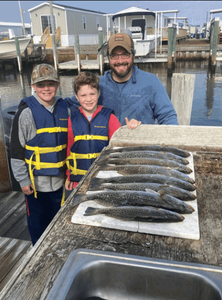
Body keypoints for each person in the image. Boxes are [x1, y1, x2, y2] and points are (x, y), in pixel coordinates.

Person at [10, 63, 70, 246]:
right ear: (33, 86)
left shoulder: (65, 108)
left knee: (58, 221)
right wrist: (23, 180)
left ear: (57, 85)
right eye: (41, 85)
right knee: (37, 224)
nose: (46, 89)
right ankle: (37, 251)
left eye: (50, 84)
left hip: (59, 182)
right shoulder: (25, 113)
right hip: (35, 185)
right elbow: (16, 151)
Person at [65, 32, 178, 126]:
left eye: (125, 54)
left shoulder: (151, 82)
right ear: (108, 57)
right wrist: (48, 93)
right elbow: (70, 104)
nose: (120, 61)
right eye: (114, 55)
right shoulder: (97, 84)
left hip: (140, 149)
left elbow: (168, 117)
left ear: (133, 55)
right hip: (107, 149)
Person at [65, 71, 140, 191]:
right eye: (83, 95)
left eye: (92, 94)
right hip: (78, 180)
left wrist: (131, 127)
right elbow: (69, 150)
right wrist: (69, 175)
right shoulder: (71, 119)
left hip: (104, 179)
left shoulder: (110, 118)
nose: (88, 99)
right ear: (77, 96)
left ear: (98, 93)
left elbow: (119, 146)